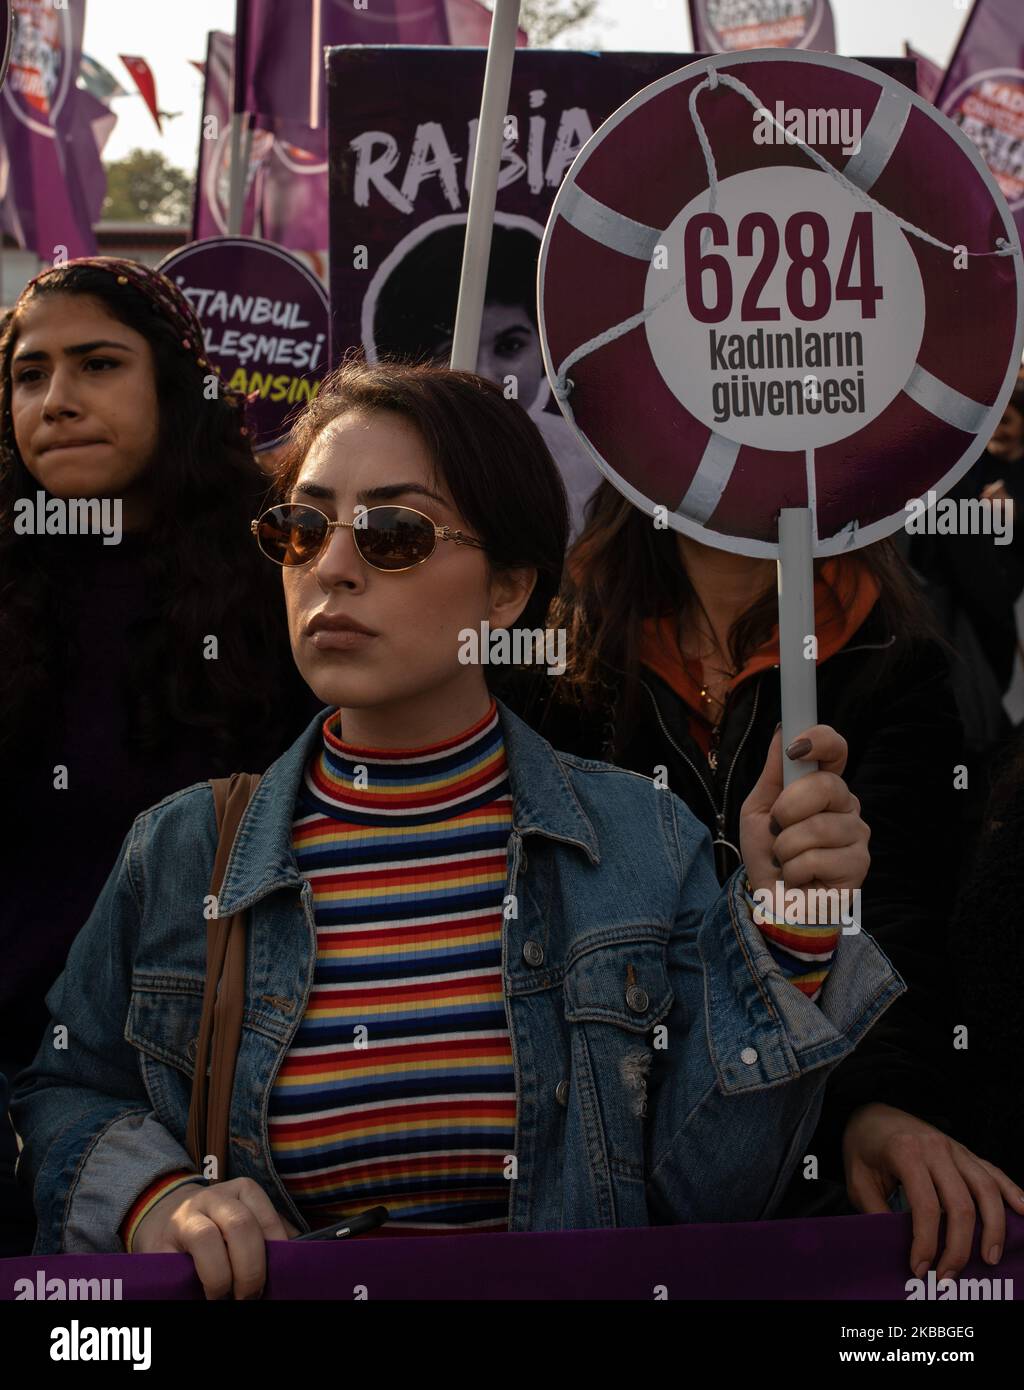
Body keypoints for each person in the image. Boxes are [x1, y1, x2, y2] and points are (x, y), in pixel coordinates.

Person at [13, 359, 895, 1300]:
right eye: (301, 529)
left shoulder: (646, 841)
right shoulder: (183, 852)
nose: (333, 567)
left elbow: (710, 1201)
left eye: (393, 533)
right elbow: (61, 1091)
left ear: (507, 592)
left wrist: (790, 938)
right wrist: (154, 1196)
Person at [497, 478, 1024, 1282]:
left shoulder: (891, 651)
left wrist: (883, 1104)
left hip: (816, 1159)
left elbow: (900, 908)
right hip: (611, 1148)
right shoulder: (567, 649)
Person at [0, 258, 319, 1257]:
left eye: (98, 364)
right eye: (27, 373)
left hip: (228, 1108)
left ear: (174, 389)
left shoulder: (287, 586)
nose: (57, 401)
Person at [370, 220, 600, 535]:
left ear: (546, 348)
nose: (485, 376)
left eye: (510, 346)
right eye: (452, 351)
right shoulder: (374, 469)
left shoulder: (591, 467)